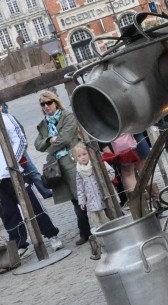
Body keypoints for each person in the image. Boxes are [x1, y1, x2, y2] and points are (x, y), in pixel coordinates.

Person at [0, 107, 62, 257]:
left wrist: (12, 161)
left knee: (32, 205)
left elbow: (20, 139)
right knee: (8, 213)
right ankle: (19, 243)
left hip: (14, 171)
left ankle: (51, 234)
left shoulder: (6, 118)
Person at [34, 90, 91, 245]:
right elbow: (37, 144)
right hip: (58, 167)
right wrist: (49, 139)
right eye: (43, 104)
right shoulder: (44, 124)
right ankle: (85, 231)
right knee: (74, 199)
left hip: (74, 162)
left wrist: (50, 145)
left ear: (55, 102)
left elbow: (65, 139)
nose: (46, 106)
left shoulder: (67, 116)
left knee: (83, 195)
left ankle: (89, 229)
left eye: (49, 103)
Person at [73, 142, 111, 257]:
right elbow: (79, 188)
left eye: (84, 154)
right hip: (91, 201)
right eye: (79, 156)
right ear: (76, 158)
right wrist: (82, 201)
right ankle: (101, 244)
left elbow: (110, 172)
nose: (82, 157)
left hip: (102, 197)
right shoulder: (79, 171)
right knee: (95, 222)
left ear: (89, 154)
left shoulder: (96, 164)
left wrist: (107, 181)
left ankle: (111, 237)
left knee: (106, 218)